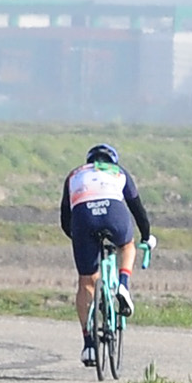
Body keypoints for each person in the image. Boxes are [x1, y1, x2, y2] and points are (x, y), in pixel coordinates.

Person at [59, 142, 156, 344]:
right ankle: (123, 285)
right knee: (127, 246)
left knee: (86, 281)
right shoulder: (119, 172)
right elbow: (138, 210)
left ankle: (88, 344)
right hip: (114, 212)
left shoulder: (74, 174)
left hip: (83, 218)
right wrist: (146, 236)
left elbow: (65, 218)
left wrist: (81, 242)